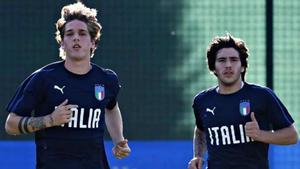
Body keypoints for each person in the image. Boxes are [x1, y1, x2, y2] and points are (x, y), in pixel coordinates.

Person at [5, 2, 131, 169]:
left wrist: (118, 140)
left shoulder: (106, 79)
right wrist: (50, 120)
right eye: (69, 34)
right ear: (62, 43)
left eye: (82, 33)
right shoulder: (43, 78)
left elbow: (111, 108)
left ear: (93, 42)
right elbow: (11, 124)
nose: (76, 38)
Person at [188, 34, 298, 169]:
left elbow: (292, 136)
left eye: (234, 60)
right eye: (222, 60)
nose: (228, 65)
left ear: (242, 67)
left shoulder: (262, 96)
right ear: (213, 68)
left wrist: (260, 135)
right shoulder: (202, 101)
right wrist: (198, 155)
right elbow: (201, 130)